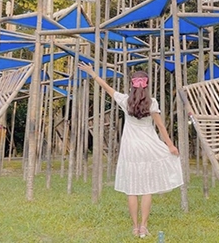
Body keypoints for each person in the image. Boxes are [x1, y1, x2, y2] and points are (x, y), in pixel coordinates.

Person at [78, 63, 183, 238]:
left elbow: (106, 87)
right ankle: (144, 226)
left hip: (130, 147)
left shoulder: (125, 100)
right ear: (147, 84)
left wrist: (92, 73)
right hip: (148, 145)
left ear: (132, 84)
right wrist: (170, 145)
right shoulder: (152, 102)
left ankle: (135, 227)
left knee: (132, 188)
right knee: (147, 187)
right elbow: (161, 127)